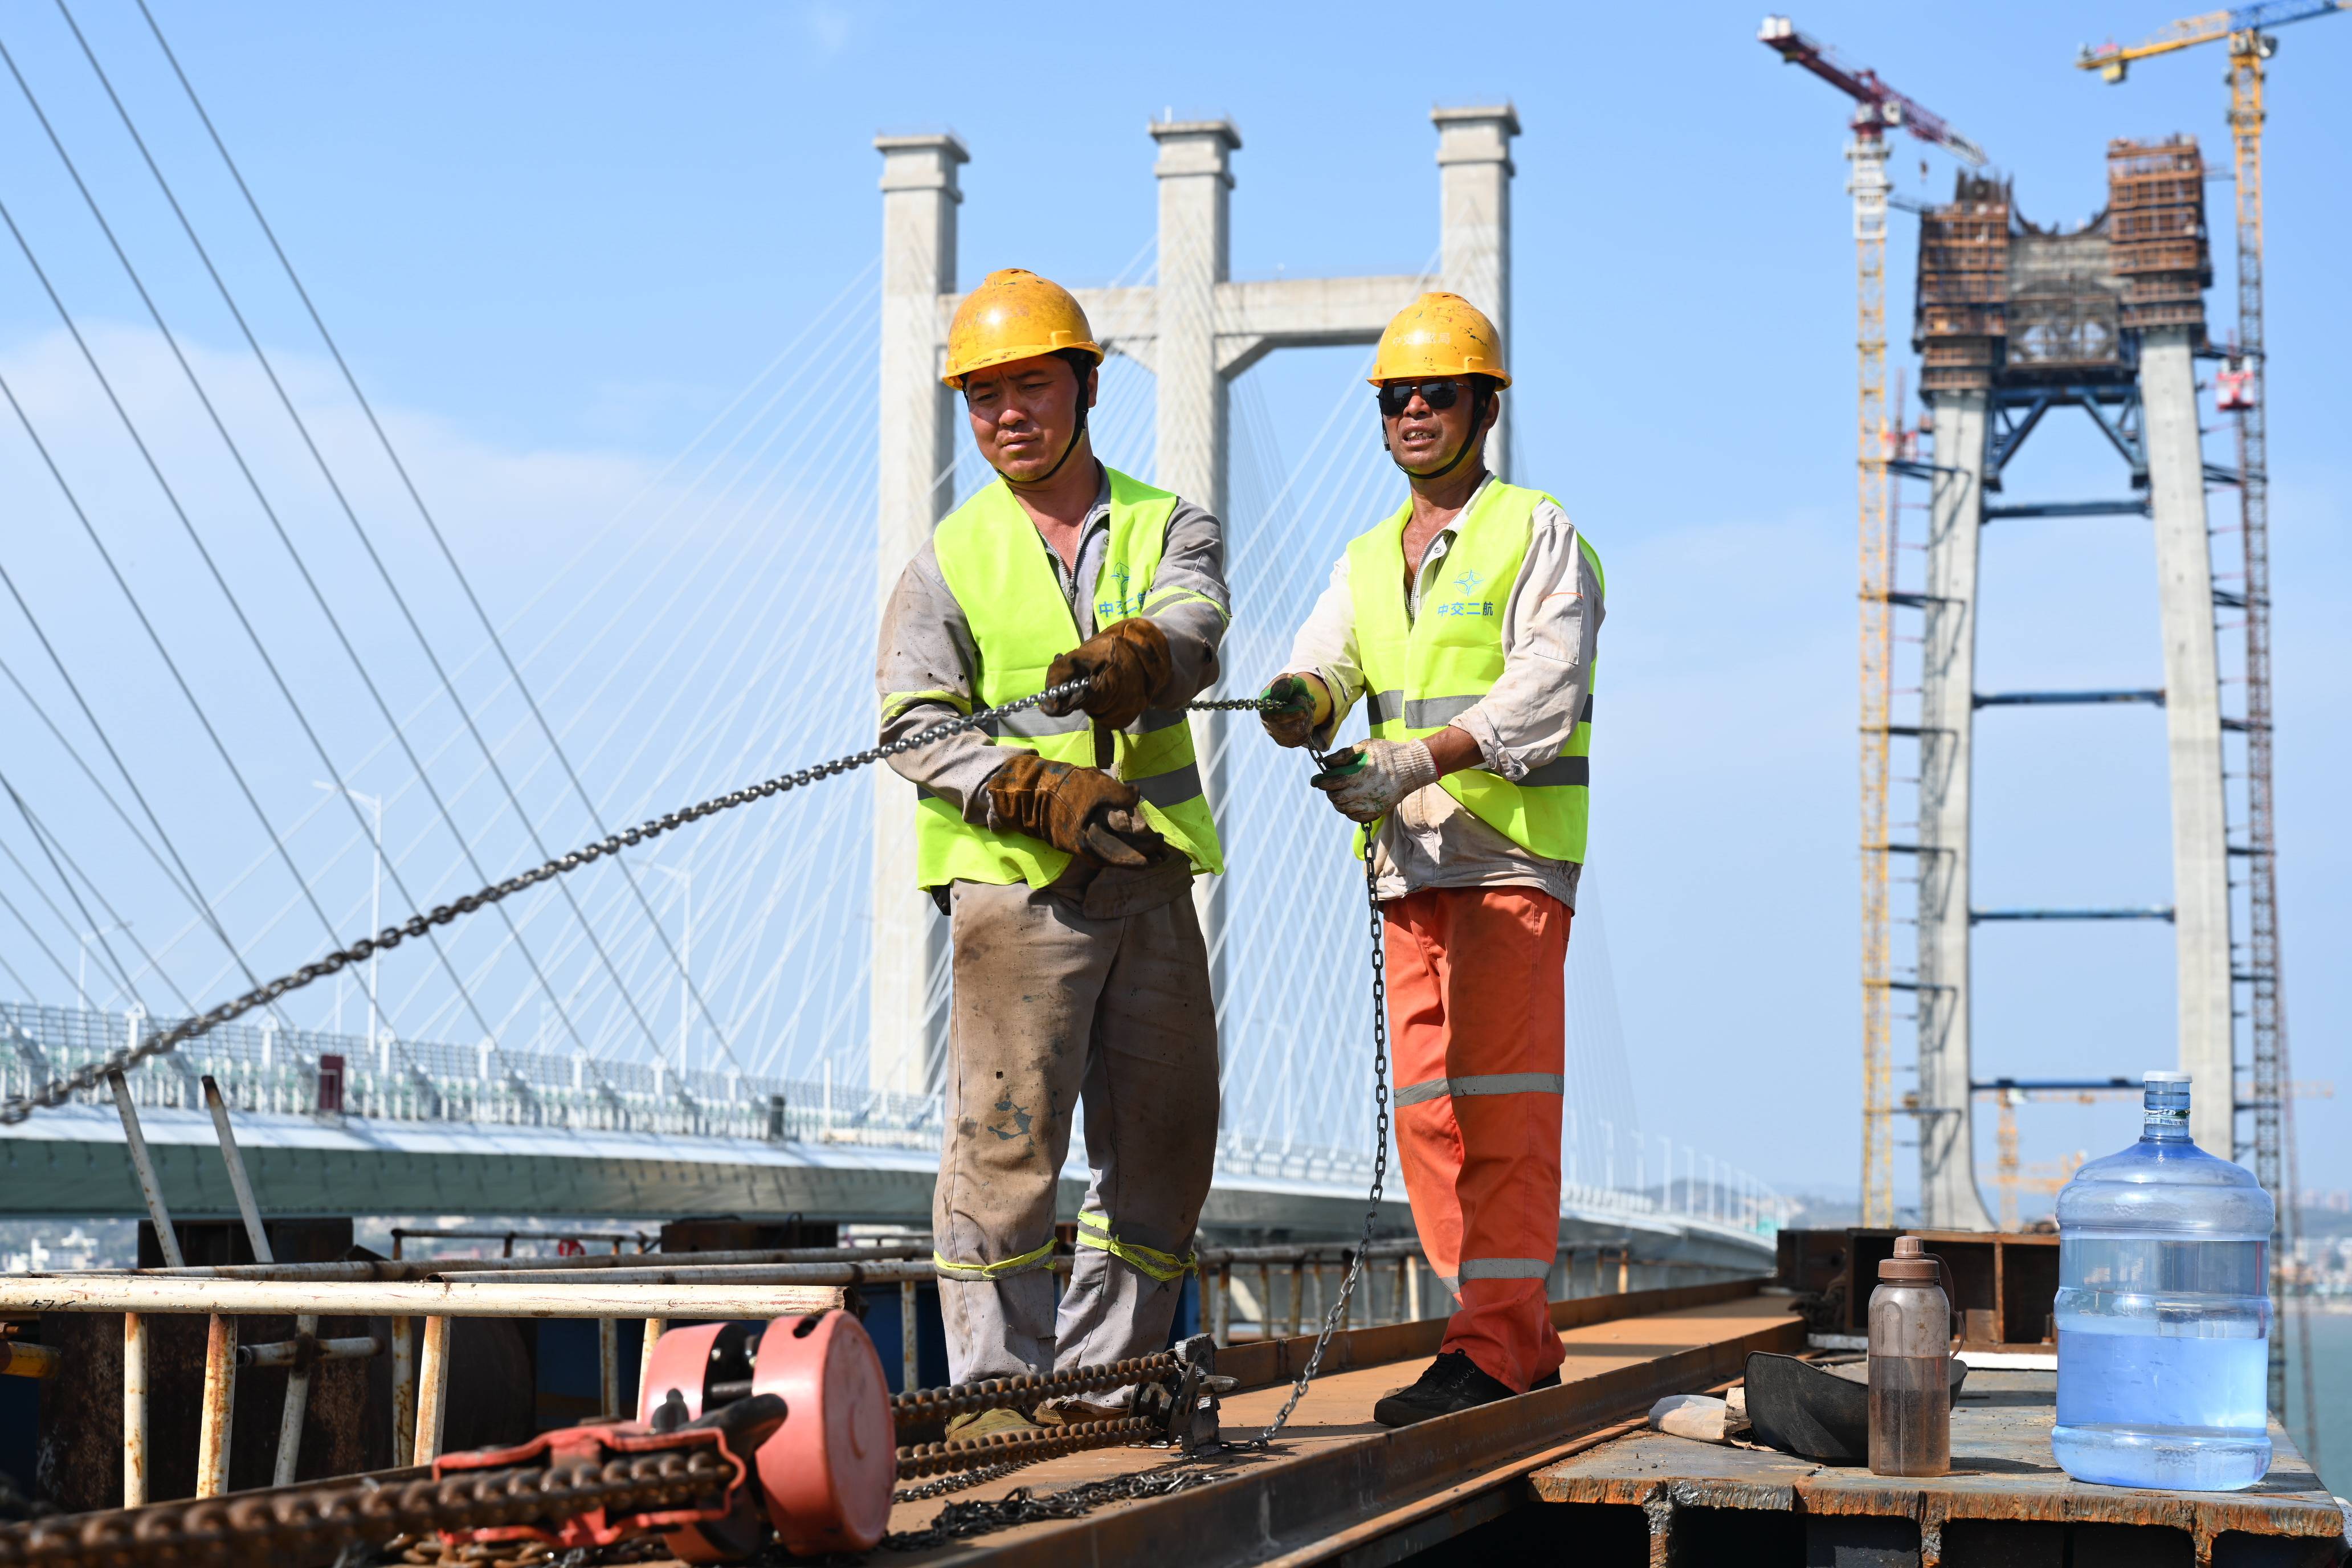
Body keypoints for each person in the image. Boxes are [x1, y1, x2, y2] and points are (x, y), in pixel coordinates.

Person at [875, 269, 1229, 1437]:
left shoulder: (1169, 524)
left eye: (1030, 385)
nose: (1007, 414)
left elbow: (1195, 624)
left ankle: (1104, 1386)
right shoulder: (949, 560)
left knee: (1166, 1146)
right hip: (1016, 894)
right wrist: (1031, 787)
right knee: (1005, 1148)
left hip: (1148, 880)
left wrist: (1142, 655)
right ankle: (999, 1394)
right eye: (983, 397)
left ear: (1086, 387)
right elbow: (912, 723)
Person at [1257, 292, 1604, 1426]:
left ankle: (1491, 1345)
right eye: (1395, 397)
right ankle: (1506, 1335)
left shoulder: (1535, 532)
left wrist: (1416, 758)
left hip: (1507, 865)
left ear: (1485, 407)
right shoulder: (1367, 559)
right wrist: (1301, 702)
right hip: (1409, 869)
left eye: (1437, 393)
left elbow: (1544, 693)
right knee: (1430, 1115)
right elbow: (1326, 665)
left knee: (1501, 1110)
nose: (1413, 411)